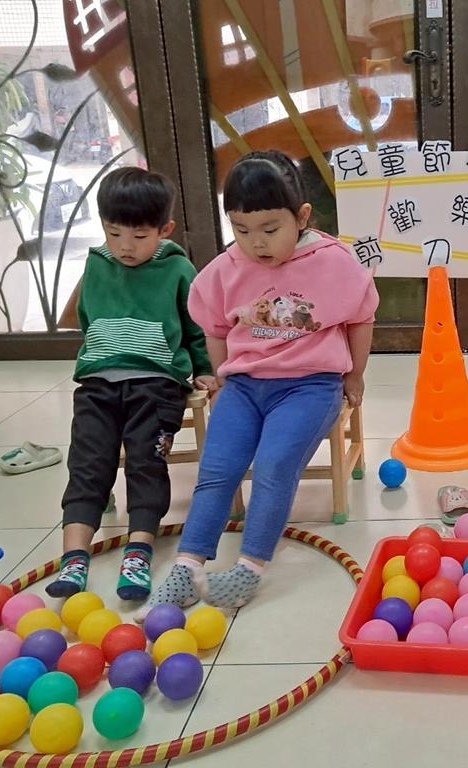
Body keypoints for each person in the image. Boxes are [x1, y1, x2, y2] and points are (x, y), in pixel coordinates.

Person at [144, 150, 378, 612]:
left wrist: (355, 375)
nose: (256, 243)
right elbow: (215, 328)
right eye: (242, 230)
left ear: (302, 217)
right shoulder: (225, 269)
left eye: (270, 230)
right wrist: (221, 381)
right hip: (246, 386)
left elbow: (362, 318)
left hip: (310, 385)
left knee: (273, 466)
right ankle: (187, 567)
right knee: (216, 470)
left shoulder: (334, 261)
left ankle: (249, 569)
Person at [48, 167, 215, 601]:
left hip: (156, 386)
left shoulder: (178, 269)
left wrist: (204, 367)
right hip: (97, 384)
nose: (125, 246)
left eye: (139, 236)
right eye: (114, 233)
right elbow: (88, 319)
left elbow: (197, 327)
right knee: (87, 464)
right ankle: (74, 557)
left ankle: (138, 552)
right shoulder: (96, 263)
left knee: (146, 463)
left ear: (164, 230)